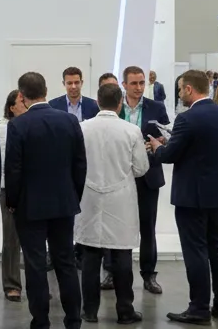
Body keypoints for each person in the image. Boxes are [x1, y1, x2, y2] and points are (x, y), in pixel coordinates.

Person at [147, 69, 218, 325]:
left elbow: (169, 156)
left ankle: (198, 308)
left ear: (189, 89)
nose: (178, 94)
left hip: (192, 196)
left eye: (180, 89)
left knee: (195, 251)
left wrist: (158, 147)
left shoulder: (187, 119)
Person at [6, 71, 87, 329]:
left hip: (30, 207)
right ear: (46, 90)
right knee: (65, 262)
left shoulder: (18, 125)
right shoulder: (69, 121)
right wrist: (74, 194)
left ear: (22, 95)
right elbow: (80, 164)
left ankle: (40, 321)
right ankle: (73, 319)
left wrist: (13, 201)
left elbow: (13, 170)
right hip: (64, 203)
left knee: (35, 264)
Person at [77, 83, 148, 324]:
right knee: (121, 257)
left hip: (90, 198)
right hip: (121, 201)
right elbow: (141, 169)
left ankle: (89, 311)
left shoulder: (82, 128)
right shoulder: (131, 130)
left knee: (90, 256)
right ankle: (125, 310)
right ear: (120, 104)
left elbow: (75, 165)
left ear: (97, 102)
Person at [114, 65, 170, 295]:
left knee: (148, 228)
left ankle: (149, 275)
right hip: (119, 175)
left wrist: (158, 143)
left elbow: (167, 136)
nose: (138, 87)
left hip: (148, 175)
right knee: (116, 227)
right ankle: (112, 271)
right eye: (134, 83)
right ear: (124, 85)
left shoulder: (156, 107)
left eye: (141, 83)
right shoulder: (114, 108)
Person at [0, 89, 28, 303]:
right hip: (8, 188)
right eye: (21, 101)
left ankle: (36, 282)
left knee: (35, 239)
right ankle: (12, 284)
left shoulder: (34, 125)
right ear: (11, 107)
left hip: (34, 188)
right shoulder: (1, 129)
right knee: (11, 238)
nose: (25, 104)